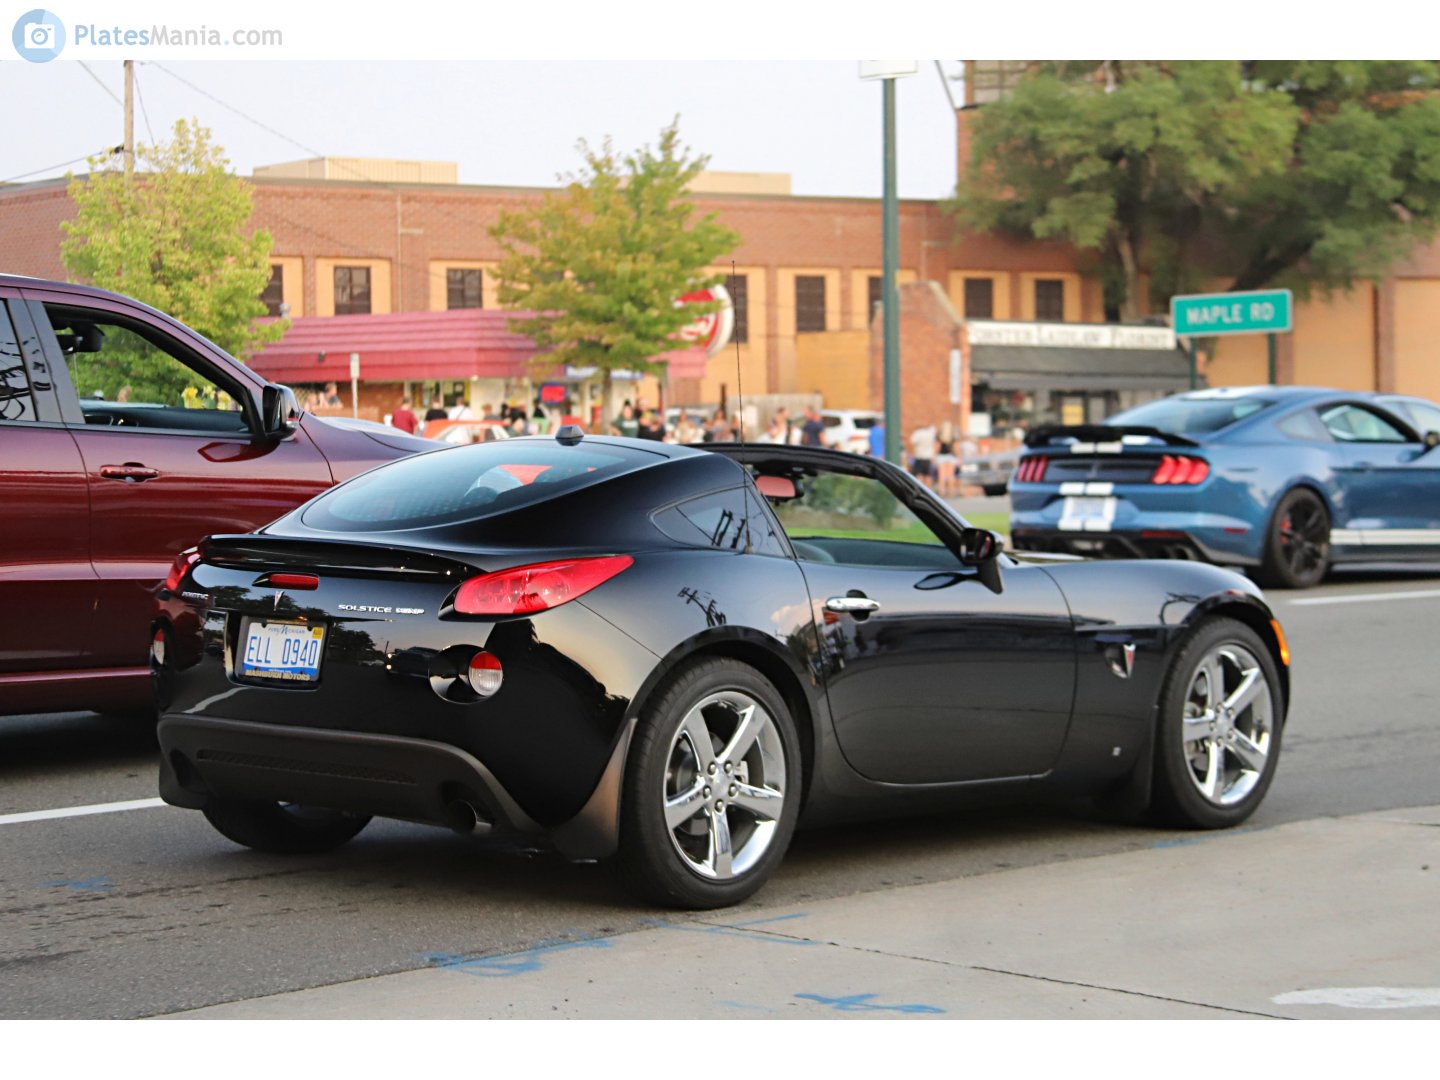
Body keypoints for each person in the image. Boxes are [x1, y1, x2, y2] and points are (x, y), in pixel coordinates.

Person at [910, 423, 937, 488]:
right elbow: (934, 445)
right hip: (928, 456)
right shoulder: (930, 434)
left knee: (919, 474)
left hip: (919, 456)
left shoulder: (918, 433)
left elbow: (913, 442)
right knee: (928, 475)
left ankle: (919, 489)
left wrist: (913, 453)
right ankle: (929, 490)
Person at [935, 420, 958, 497]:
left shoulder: (939, 435)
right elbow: (955, 448)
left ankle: (942, 492)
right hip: (951, 456)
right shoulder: (953, 435)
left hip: (941, 456)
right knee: (951, 475)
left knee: (941, 475)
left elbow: (937, 447)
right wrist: (958, 457)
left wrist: (934, 456)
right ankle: (951, 492)